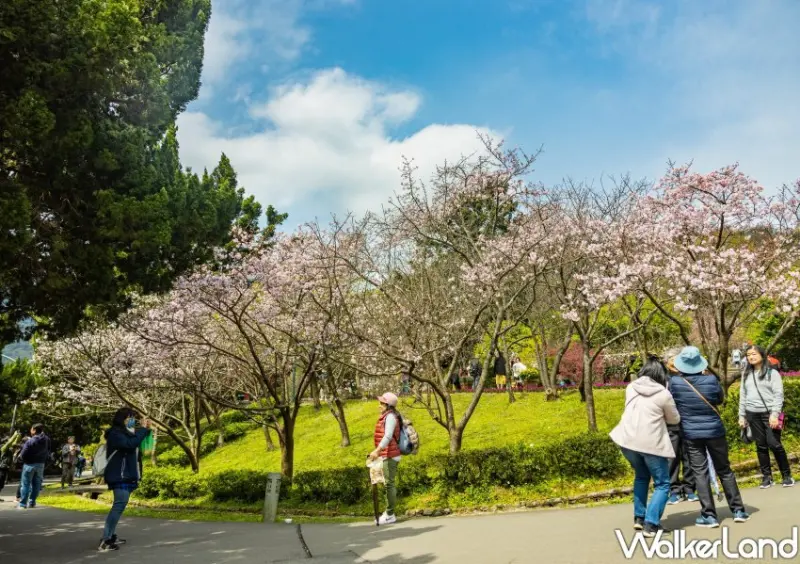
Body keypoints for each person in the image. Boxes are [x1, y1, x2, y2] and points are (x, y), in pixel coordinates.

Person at [669, 346, 749, 528]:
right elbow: (719, 399)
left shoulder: (674, 383)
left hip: (691, 433)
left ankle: (709, 515)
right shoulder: (712, 379)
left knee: (700, 472)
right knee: (725, 470)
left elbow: (672, 405)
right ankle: (738, 510)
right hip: (715, 431)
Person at [609, 356, 680, 537]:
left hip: (627, 440)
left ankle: (639, 519)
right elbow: (674, 419)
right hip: (650, 443)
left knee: (641, 477)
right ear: (661, 375)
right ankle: (652, 524)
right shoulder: (664, 394)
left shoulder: (631, 387)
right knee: (663, 484)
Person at [738, 345, 794, 488]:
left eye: (754, 354)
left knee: (774, 443)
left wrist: (774, 414)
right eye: (749, 354)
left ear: (762, 355)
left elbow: (778, 395)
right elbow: (743, 396)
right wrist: (742, 415)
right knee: (761, 445)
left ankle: (786, 475)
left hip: (769, 414)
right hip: (752, 414)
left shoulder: (771, 373)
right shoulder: (746, 374)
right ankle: (767, 477)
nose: (751, 357)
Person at [99, 407, 152, 552]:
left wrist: (145, 429)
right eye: (130, 417)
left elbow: (134, 442)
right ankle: (105, 540)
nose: (132, 420)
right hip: (119, 475)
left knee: (120, 506)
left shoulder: (124, 432)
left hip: (125, 474)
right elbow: (130, 444)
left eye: (133, 418)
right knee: (119, 505)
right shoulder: (115, 434)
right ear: (122, 419)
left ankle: (111, 535)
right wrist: (142, 429)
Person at [663, 349, 698, 505]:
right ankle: (674, 490)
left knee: (689, 457)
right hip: (671, 424)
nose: (674, 361)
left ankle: (690, 489)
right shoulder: (663, 380)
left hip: (689, 422)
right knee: (672, 458)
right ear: (666, 362)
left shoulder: (689, 377)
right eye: (671, 358)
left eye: (677, 358)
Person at [368, 392, 402, 526]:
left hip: (390, 454)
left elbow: (388, 436)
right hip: (387, 454)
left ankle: (390, 514)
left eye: (382, 403)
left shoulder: (390, 417)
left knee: (389, 484)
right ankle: (388, 513)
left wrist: (377, 451)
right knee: (388, 484)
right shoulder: (387, 416)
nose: (379, 405)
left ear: (388, 405)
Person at [17, 423, 51, 509]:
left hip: (29, 464)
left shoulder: (30, 441)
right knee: (36, 485)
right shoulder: (47, 439)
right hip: (40, 464)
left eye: (31, 429)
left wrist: (22, 459)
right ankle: (32, 502)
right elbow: (48, 450)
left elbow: (23, 454)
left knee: (25, 484)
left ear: (34, 430)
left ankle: (23, 504)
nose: (30, 430)